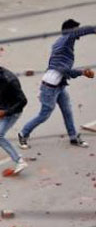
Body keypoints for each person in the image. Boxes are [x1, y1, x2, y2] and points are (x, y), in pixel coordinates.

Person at [18, 19, 95, 149]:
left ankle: (73, 137)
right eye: (76, 30)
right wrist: (82, 72)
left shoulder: (63, 43)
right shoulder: (65, 41)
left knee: (67, 111)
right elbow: (64, 70)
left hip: (59, 85)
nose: (79, 33)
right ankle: (23, 133)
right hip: (50, 87)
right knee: (44, 114)